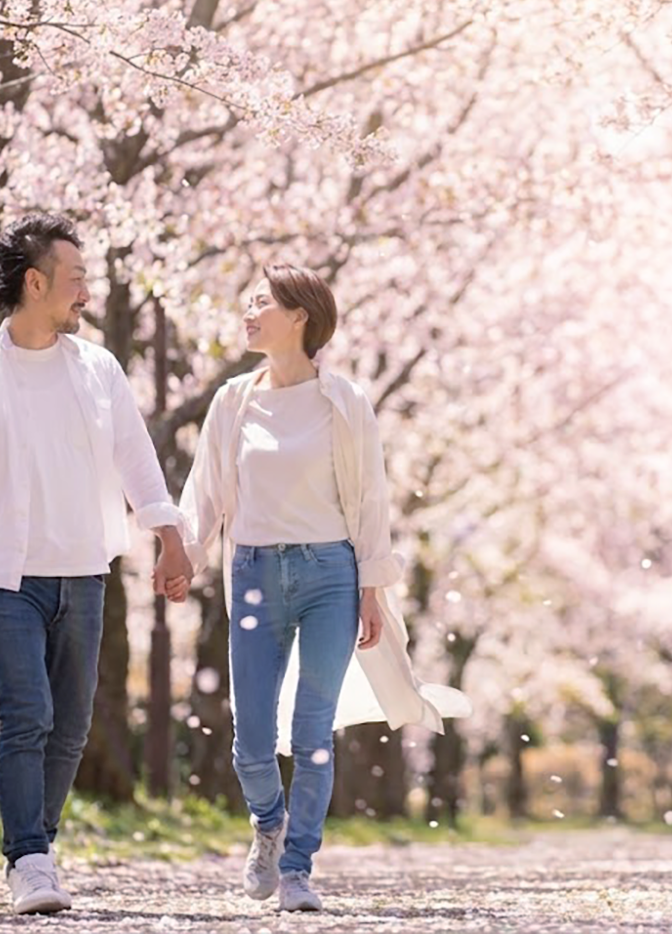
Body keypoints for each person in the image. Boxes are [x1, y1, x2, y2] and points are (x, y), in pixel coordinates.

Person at [0, 213, 193, 915]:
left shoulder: (98, 370)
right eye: (77, 277)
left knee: (72, 724)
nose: (87, 291)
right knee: (27, 714)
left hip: (84, 571)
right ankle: (27, 857)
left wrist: (167, 532)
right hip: (2, 577)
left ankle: (38, 847)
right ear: (37, 282)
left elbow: (137, 461)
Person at [177, 264, 471, 913]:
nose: (248, 313)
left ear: (300, 317)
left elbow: (370, 500)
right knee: (251, 736)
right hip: (253, 573)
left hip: (329, 576)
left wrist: (371, 587)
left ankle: (299, 867)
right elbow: (207, 492)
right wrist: (184, 554)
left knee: (311, 732)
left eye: (262, 303)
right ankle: (267, 827)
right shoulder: (233, 402)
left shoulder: (344, 402)